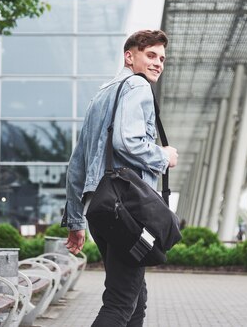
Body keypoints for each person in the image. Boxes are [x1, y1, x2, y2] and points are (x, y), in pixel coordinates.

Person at [62, 29, 178, 326]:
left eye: (162, 58)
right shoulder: (137, 86)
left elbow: (77, 165)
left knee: (135, 297)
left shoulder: (101, 96)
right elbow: (127, 141)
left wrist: (76, 221)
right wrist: (164, 156)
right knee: (120, 301)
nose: (157, 63)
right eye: (150, 55)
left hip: (99, 209)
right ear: (130, 57)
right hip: (125, 209)